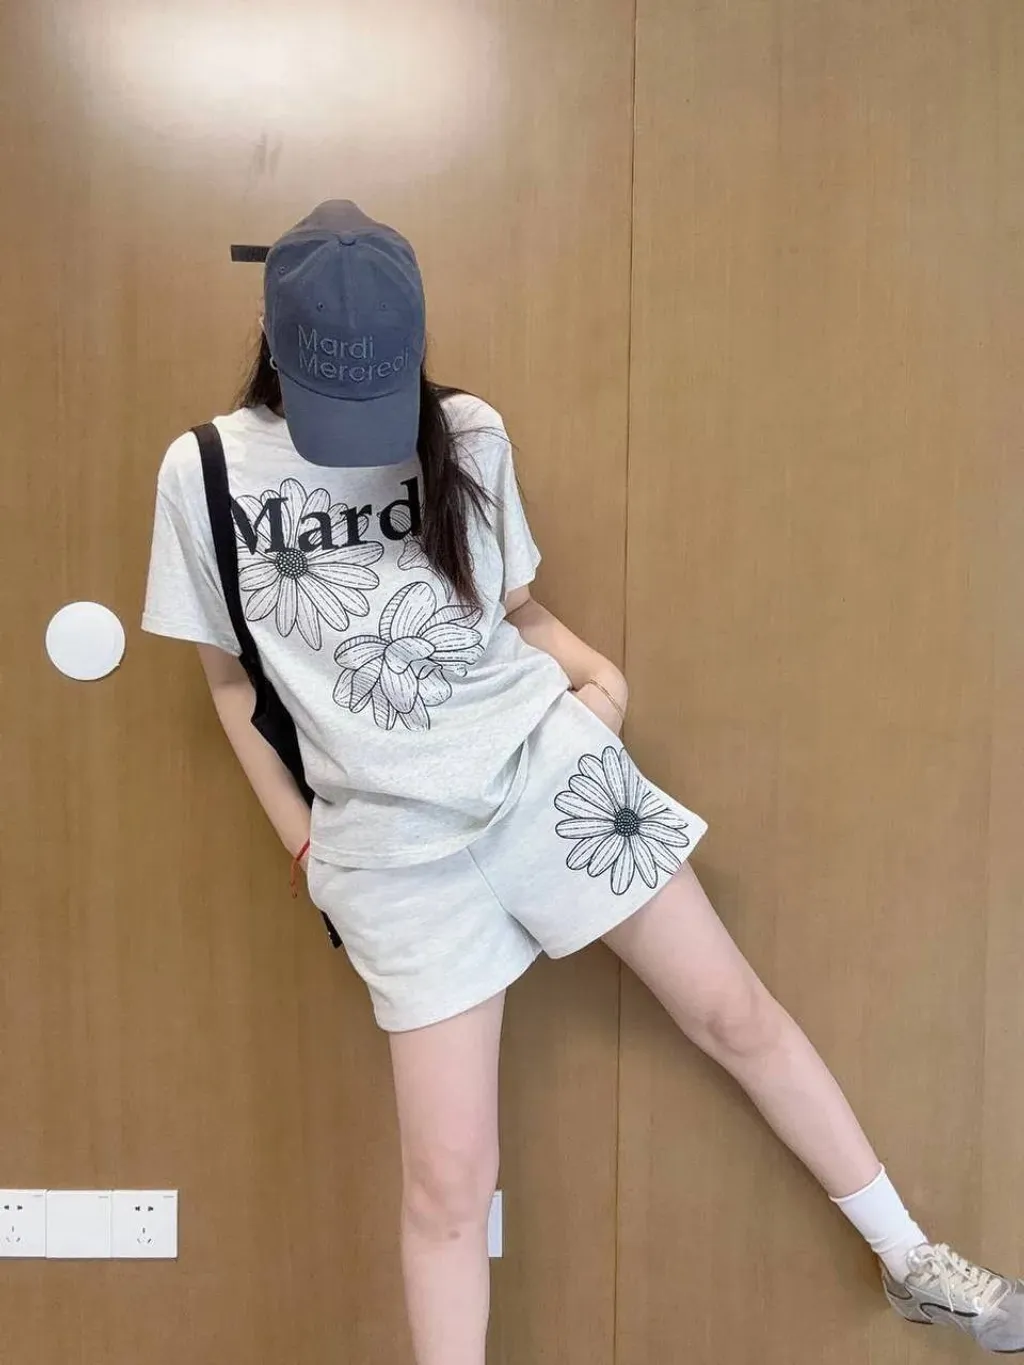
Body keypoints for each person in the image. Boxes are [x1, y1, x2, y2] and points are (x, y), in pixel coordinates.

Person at [143, 200, 1023, 1363]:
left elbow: (512, 611)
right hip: (392, 857)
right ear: (276, 339)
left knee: (733, 1013)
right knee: (448, 1184)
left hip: (545, 776)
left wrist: (599, 682)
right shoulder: (203, 472)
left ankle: (910, 1256)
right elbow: (228, 686)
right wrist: (304, 847)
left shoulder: (467, 431)